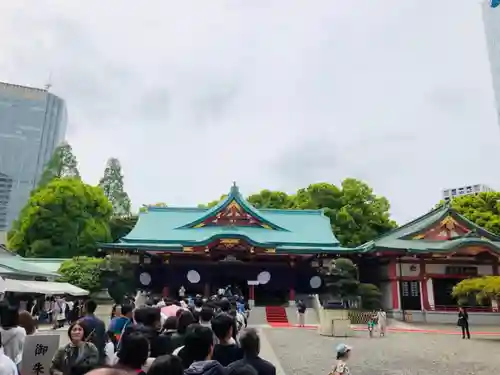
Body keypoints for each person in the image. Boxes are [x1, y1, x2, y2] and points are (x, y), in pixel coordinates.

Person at [79, 299, 106, 364]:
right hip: (98, 354)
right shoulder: (101, 323)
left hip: (84, 355)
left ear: (85, 308)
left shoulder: (80, 322)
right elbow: (103, 340)